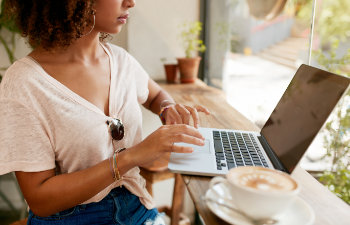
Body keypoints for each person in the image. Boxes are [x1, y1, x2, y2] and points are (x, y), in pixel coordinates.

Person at [0, 0, 210, 224]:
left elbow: (156, 95)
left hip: (138, 208)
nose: (131, 3)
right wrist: (132, 156)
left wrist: (168, 108)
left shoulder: (120, 60)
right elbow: (40, 200)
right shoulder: (24, 83)